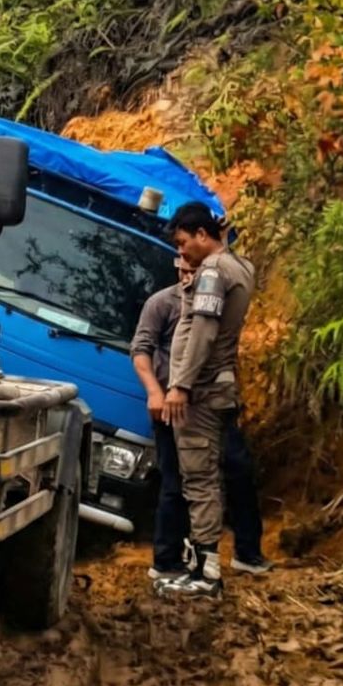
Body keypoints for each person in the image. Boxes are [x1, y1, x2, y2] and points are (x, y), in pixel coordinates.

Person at [129, 256, 271, 584]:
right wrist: (156, 392)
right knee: (176, 481)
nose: (187, 276)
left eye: (192, 270)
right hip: (172, 405)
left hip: (209, 402)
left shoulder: (215, 298)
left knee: (237, 471)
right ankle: (167, 559)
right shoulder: (162, 303)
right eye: (181, 269)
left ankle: (246, 552)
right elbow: (141, 350)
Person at [158, 201, 257, 597]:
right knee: (207, 476)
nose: (182, 253)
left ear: (203, 235)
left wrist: (180, 384)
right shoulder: (241, 267)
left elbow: (203, 331)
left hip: (202, 390)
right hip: (217, 385)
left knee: (199, 477)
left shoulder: (214, 273)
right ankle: (201, 564)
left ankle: (206, 571)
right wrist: (187, 292)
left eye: (184, 243)